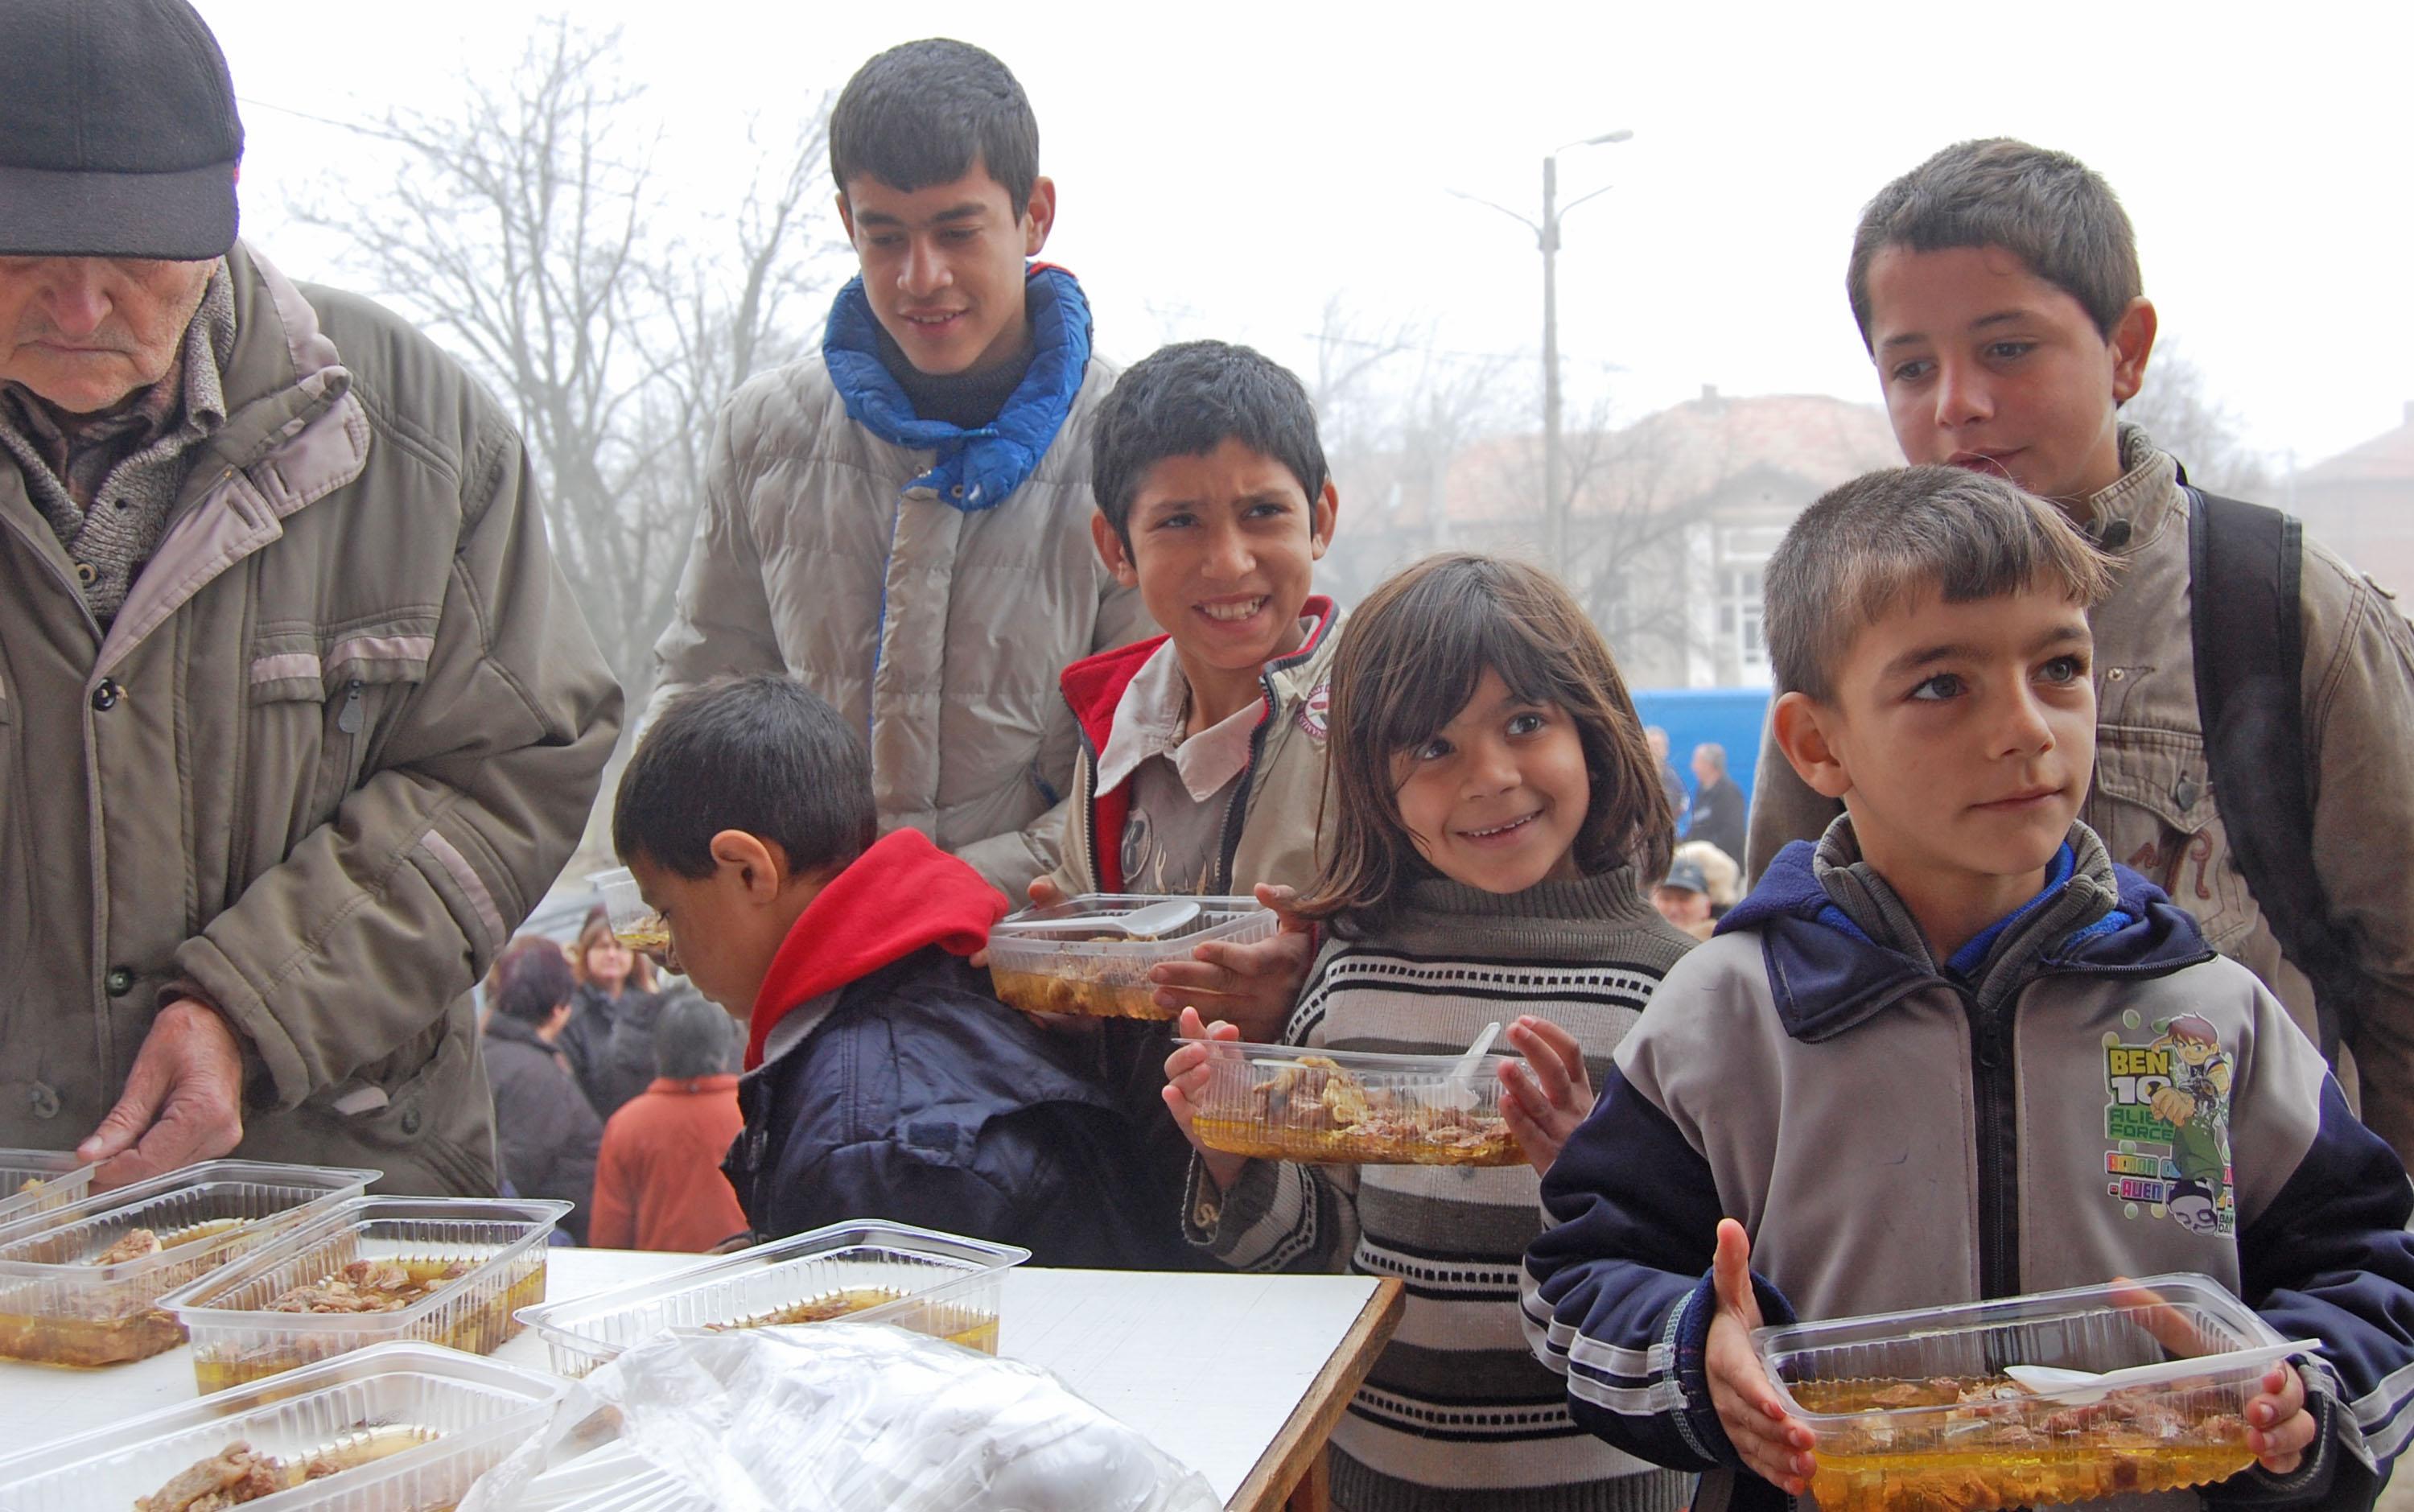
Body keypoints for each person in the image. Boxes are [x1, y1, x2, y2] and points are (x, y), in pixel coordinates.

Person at [1528, 468, 2414, 1510]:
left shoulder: (2209, 1013)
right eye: (1945, 684)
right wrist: (1695, 1357)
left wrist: (2301, 1396)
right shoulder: (1723, 1017)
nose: (2029, 726)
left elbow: (2369, 1271)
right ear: (1819, 742)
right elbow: (1577, 1281)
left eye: (2062, 667)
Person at [0, 0, 620, 1194]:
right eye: (20, 249)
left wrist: (254, 1004)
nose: (79, 308)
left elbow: (525, 757)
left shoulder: (417, 436)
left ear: (226, 196)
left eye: (134, 252)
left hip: (352, 1203)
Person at [1744, 138, 2414, 1164]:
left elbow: (2403, 968)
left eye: (2007, 349)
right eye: (1911, 365)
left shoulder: (2281, 607)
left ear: (2128, 351)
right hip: (1923, 1237)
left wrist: (2368, 1272)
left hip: (2230, 1250)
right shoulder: (1850, 623)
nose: (1955, 401)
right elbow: (1779, 954)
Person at [1165, 553, 1695, 1512]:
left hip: (1613, 1485)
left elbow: (1716, 1283)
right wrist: (1240, 1154)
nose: (1490, 777)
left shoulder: (1674, 990)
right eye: (1432, 747)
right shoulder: (1354, 978)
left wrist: (1597, 1173)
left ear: (1595, 729)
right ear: (1372, 777)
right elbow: (1319, 1258)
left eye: (1525, 722)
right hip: (1384, 1479)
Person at [649, 38, 1147, 901]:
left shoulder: (1128, 442)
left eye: (958, 231)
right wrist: (680, 869)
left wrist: (920, 901)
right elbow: (706, 688)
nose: (923, 277)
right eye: (885, 237)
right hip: (805, 954)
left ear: (1034, 214)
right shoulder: (766, 435)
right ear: (847, 222)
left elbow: (1145, 761)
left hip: (1039, 970)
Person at [612, 673, 1193, 1268]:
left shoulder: (870, 1147)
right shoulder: (931, 977)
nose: (673, 955)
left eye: (668, 911)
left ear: (747, 870)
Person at [1029, 340, 1341, 1044]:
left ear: (1320, 517)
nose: (1229, 561)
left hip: (1294, 1145)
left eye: (1263, 511)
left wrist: (1310, 989)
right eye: (1179, 522)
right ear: (1116, 549)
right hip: (1140, 1143)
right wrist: (1066, 985)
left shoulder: (1382, 717)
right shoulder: (1114, 726)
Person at [589, 991, 747, 1253]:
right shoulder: (751, 1111)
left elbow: (608, 1239)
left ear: (659, 1051)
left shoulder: (627, 1125)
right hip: (748, 1277)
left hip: (662, 1282)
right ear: (724, 1051)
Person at [481, 938, 604, 1245]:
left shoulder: (485, 1052)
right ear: (559, 1008)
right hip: (556, 1238)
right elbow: (520, 1170)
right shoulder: (537, 1074)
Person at [559, 913, 666, 1122]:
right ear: (586, 953)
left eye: (620, 947)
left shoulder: (651, 1005)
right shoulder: (572, 1012)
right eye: (602, 947)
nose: (611, 955)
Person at [1683, 742, 1747, 864]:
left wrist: (1705, 851)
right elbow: (1695, 829)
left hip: (1724, 864)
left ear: (1709, 765)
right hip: (1701, 862)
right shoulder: (1701, 792)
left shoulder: (1730, 793)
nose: (1693, 767)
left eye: (1697, 762)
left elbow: (1733, 834)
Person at [1650, 855, 1715, 942]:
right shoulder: (1636, 946)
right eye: (1666, 898)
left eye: (1684, 899)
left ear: (1707, 906)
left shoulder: (1720, 946)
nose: (1674, 909)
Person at [1645, 726, 1687, 837]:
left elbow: (1669, 811)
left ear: (1666, 750)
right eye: (1651, 745)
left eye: (1658, 746)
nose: (1654, 750)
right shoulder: (1635, 778)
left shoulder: (1673, 781)